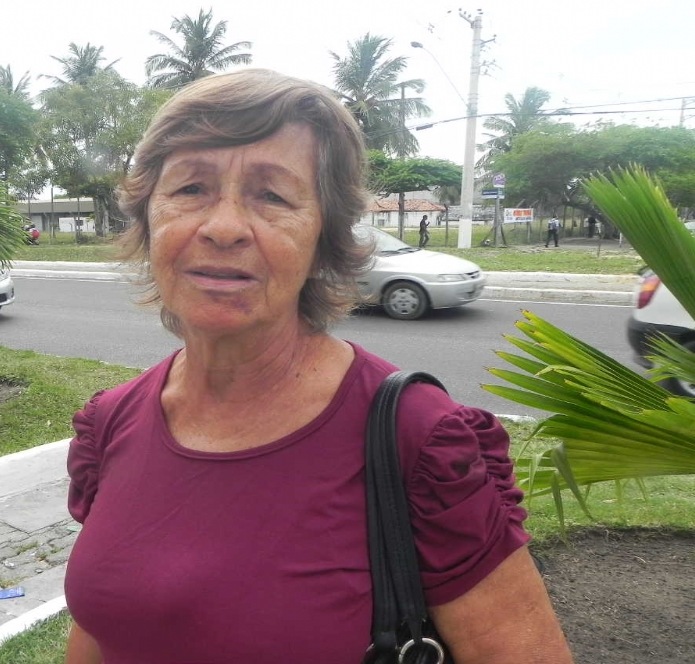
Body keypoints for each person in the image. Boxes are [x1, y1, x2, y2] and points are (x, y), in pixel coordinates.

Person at [63, 69, 572, 664]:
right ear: (149, 217)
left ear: (323, 236)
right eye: (191, 188)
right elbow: (102, 627)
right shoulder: (111, 421)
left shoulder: (417, 438)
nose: (223, 228)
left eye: (273, 197)